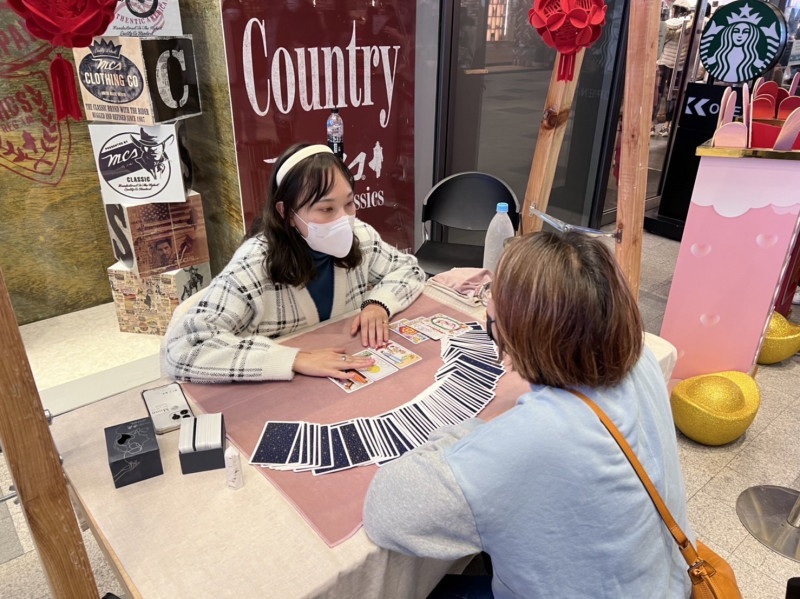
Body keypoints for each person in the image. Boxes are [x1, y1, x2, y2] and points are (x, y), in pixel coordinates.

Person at [364, 232, 694, 598]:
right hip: (665, 580)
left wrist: (480, 426)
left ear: (520, 331)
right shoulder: (642, 358)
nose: (485, 302)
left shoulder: (530, 437)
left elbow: (386, 512)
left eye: (492, 297)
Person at [164, 143, 425, 383]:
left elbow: (409, 269)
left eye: (349, 203)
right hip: (278, 388)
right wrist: (295, 358)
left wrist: (378, 303)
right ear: (287, 213)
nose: (344, 219)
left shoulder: (361, 235)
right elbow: (184, 348)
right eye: (326, 210)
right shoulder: (254, 264)